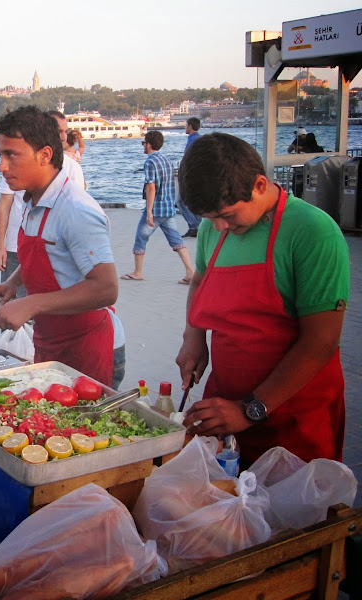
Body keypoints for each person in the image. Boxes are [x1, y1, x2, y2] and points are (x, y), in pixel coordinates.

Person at [176, 132, 348, 467]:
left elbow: (321, 342)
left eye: (227, 215)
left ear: (258, 185)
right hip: (226, 408)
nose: (219, 227)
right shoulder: (216, 228)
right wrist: (193, 336)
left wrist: (251, 408)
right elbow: (199, 280)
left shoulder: (313, 232)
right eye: (210, 219)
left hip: (293, 418)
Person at [0, 106, 125, 390]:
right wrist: (14, 283)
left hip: (88, 343)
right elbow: (49, 254)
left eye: (11, 155)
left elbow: (106, 289)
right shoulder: (30, 198)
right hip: (49, 339)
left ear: (45, 155)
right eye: (0, 155)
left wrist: (32, 303)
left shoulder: (75, 209)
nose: (1, 166)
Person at [121, 130, 194, 284]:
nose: (143, 146)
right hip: (169, 209)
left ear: (148, 144)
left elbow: (151, 187)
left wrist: (149, 211)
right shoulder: (168, 160)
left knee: (141, 238)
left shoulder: (150, 162)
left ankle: (138, 272)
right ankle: (189, 271)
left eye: (143, 143)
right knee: (176, 240)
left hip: (156, 209)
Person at [0, 182, 26, 298]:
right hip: (14, 247)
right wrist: (0, 246)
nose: (2, 167)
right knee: (8, 301)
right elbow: (4, 205)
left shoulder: (71, 167)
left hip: (48, 249)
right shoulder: (11, 166)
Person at [47, 111, 85, 190]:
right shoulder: (23, 162)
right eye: (59, 132)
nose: (64, 138)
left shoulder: (73, 168)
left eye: (66, 132)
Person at [178, 117, 202, 237]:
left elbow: (190, 158)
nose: (185, 127)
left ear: (190, 126)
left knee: (181, 201)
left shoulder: (193, 140)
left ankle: (195, 226)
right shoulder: (197, 139)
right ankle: (197, 226)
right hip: (195, 175)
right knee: (194, 201)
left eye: (186, 125)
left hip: (191, 176)